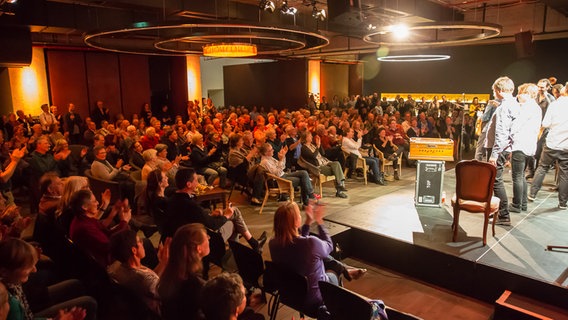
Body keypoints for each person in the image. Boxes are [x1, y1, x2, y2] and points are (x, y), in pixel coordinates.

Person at [269, 202, 366, 309]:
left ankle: (345, 269)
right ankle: (340, 306)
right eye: (299, 215)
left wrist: (308, 221)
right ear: (296, 222)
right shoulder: (311, 243)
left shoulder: (273, 243)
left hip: (290, 295)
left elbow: (299, 244)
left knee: (318, 256)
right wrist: (319, 221)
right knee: (334, 268)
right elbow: (329, 246)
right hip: (314, 300)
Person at [162, 168, 266, 252]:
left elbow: (197, 217)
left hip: (182, 237)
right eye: (196, 180)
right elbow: (212, 225)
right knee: (233, 221)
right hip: (197, 240)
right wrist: (226, 216)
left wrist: (212, 214)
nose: (198, 183)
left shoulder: (173, 199)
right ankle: (247, 247)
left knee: (233, 214)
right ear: (189, 184)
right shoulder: (189, 204)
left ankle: (245, 249)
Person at [0, 238, 97, 320]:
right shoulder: (7, 302)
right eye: (27, 266)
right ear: (4, 271)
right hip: (33, 310)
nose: (34, 270)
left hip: (31, 309)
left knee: (75, 285)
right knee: (88, 302)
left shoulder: (10, 280)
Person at [108, 229, 171, 316]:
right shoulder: (144, 280)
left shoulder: (116, 268)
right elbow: (168, 294)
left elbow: (151, 277)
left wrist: (164, 261)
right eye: (140, 241)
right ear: (134, 250)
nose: (143, 243)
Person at [158, 223, 209, 320]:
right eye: (207, 237)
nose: (209, 239)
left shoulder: (169, 274)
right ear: (199, 249)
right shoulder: (196, 286)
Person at [529, 84, 568, 209]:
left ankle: (532, 194)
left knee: (542, 168)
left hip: (552, 142)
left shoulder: (556, 104)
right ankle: (562, 203)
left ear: (565, 90)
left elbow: (545, 123)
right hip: (566, 145)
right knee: (564, 173)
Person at [487, 76, 519, 226]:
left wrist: (494, 155)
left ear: (499, 90)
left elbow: (501, 132)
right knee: (495, 180)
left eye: (494, 90)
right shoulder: (514, 104)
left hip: (498, 149)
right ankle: (498, 212)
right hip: (504, 148)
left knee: (496, 181)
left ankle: (503, 215)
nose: (493, 93)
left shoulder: (504, 107)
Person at [69, 189, 131, 266]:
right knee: (141, 245)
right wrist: (124, 222)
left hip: (102, 254)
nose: (98, 203)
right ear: (84, 207)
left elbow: (107, 233)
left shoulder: (83, 219)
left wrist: (122, 221)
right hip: (103, 264)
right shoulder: (84, 227)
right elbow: (109, 245)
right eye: (94, 201)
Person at [509, 83, 541, 213]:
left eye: (521, 92)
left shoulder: (527, 108)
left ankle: (517, 204)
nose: (518, 95)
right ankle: (523, 204)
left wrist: (510, 131)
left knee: (517, 176)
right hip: (529, 146)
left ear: (528, 94)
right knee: (521, 176)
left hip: (520, 144)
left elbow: (516, 126)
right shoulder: (536, 108)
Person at [299, 131, 348, 198]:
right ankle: (339, 189)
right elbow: (313, 156)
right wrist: (318, 147)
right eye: (310, 136)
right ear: (306, 138)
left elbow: (323, 153)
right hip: (317, 167)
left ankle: (339, 186)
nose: (312, 137)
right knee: (336, 169)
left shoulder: (312, 145)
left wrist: (319, 144)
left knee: (336, 163)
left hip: (324, 162)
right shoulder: (304, 148)